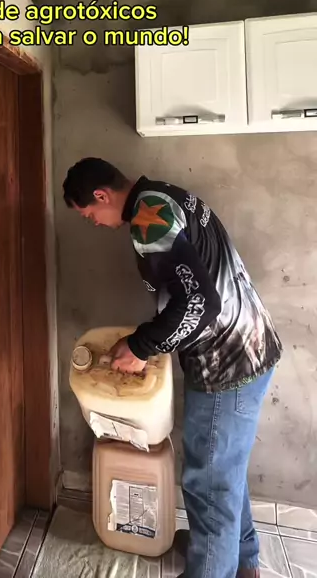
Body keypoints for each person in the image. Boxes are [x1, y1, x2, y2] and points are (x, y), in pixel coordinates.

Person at [63, 157, 282, 578]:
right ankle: (241, 561)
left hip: (226, 363)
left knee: (208, 484)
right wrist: (148, 340)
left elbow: (199, 302)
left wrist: (141, 345)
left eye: (89, 214)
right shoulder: (165, 196)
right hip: (250, 345)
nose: (94, 223)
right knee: (224, 471)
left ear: (101, 196)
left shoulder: (149, 219)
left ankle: (212, 566)